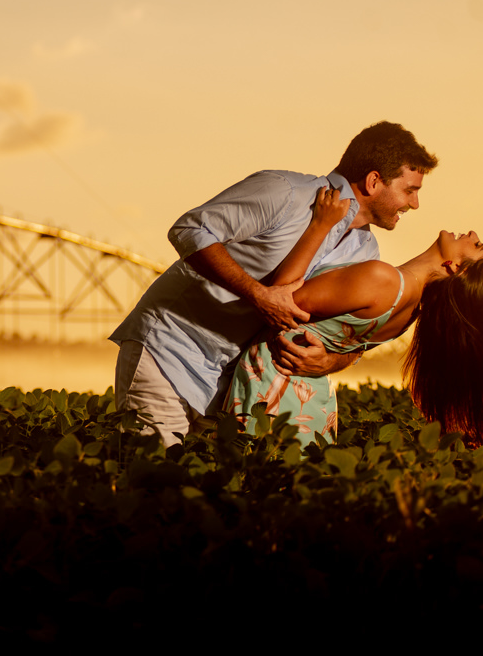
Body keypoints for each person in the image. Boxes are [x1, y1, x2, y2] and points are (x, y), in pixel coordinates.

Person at [110, 121, 438, 446]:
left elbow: (345, 334)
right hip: (170, 352)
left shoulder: (366, 254)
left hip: (233, 383)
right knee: (151, 486)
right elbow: (189, 230)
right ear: (373, 181)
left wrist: (331, 361)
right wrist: (257, 295)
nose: (414, 204)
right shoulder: (285, 191)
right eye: (410, 190)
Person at [227, 188, 483, 448]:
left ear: (455, 268)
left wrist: (321, 225)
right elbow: (350, 345)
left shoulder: (383, 280)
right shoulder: (413, 310)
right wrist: (331, 361)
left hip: (273, 399)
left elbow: (279, 300)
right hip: (308, 406)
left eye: (476, 245)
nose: (472, 234)